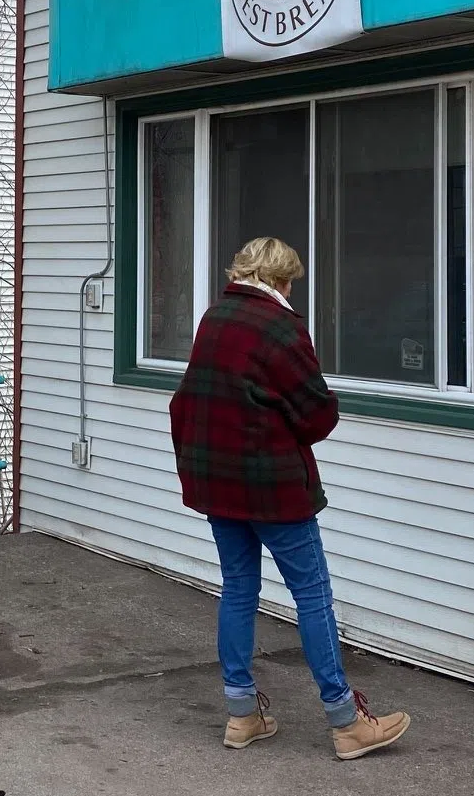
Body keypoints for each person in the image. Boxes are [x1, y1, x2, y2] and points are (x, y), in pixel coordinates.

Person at [169, 235, 410, 761]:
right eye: (291, 281)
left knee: (238, 588)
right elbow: (316, 412)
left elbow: (192, 397)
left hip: (216, 481)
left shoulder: (214, 318)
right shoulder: (281, 326)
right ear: (281, 279)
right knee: (312, 593)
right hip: (272, 486)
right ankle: (346, 722)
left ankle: (242, 715)